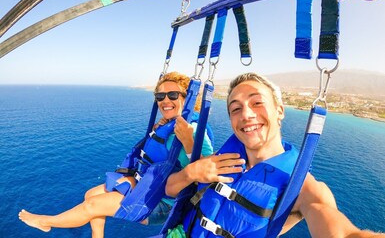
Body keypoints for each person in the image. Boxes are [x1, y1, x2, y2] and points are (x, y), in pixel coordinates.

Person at [165, 72, 384, 238]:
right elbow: (169, 189)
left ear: (279, 111)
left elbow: (345, 233)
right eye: (236, 108)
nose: (247, 115)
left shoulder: (303, 189)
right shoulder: (221, 160)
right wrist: (190, 173)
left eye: (257, 103)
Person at [18, 72, 213, 237]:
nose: (165, 101)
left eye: (172, 95)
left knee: (93, 205)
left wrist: (188, 140)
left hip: (164, 203)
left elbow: (208, 172)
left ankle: (46, 221)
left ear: (187, 98)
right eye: (160, 97)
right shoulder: (169, 124)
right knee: (90, 195)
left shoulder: (194, 129)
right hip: (149, 185)